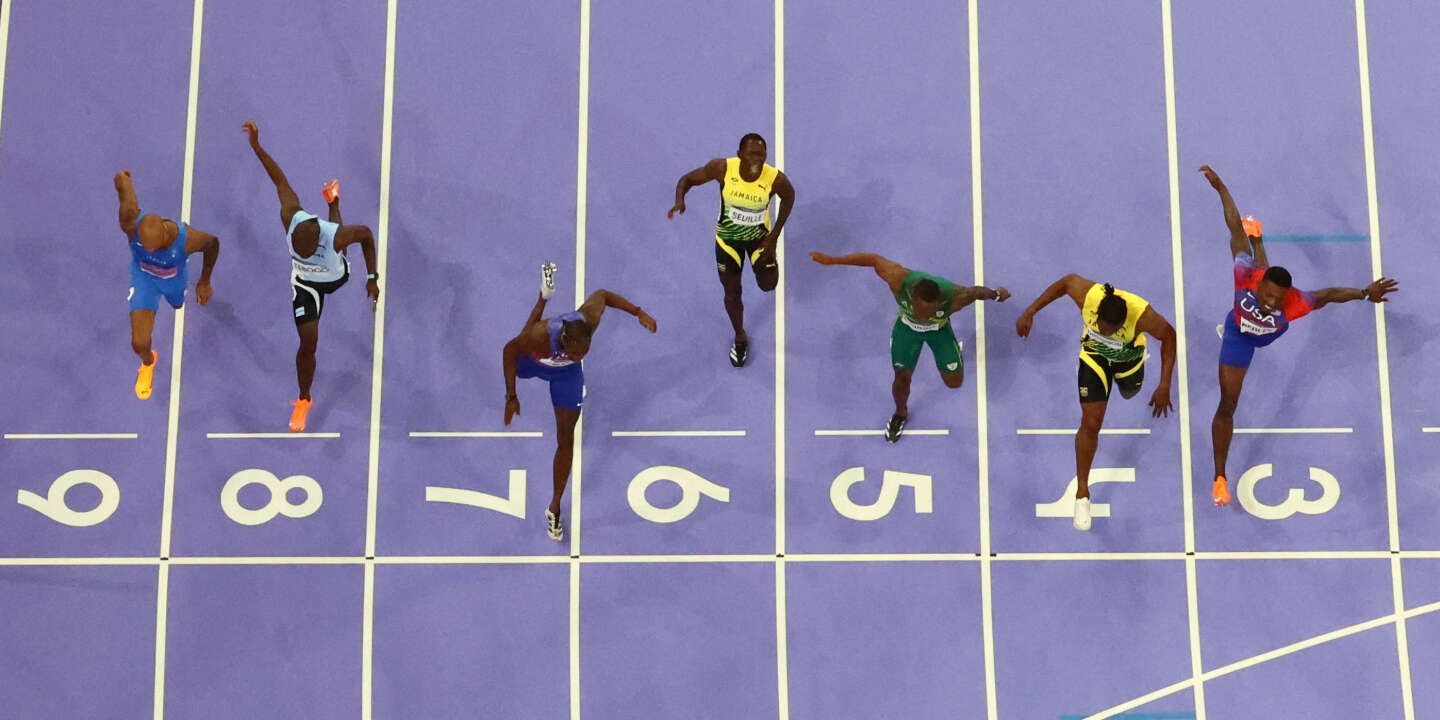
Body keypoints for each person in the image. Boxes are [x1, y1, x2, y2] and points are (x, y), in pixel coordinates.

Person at [1199, 165, 1398, 506]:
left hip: (1261, 331)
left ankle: (1258, 235)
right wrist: (1220, 187)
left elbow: (1331, 293)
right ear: (1258, 286)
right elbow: (1232, 226)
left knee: (1267, 266)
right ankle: (1220, 476)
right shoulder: (1246, 274)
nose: (1272, 303)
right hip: (1239, 338)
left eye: (1278, 298)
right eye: (1268, 295)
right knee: (1228, 404)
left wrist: (1365, 293)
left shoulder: (1296, 302)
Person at [503, 263, 657, 541]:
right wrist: (511, 396)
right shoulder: (541, 336)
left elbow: (603, 295)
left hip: (565, 377)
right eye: (576, 353)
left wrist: (638, 312)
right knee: (521, 339)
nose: (581, 356)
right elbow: (509, 350)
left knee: (566, 438)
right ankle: (543, 298)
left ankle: (554, 507)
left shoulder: (587, 321)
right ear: (564, 339)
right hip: (534, 363)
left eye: (585, 353)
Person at [243, 120, 379, 432]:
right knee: (308, 343)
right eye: (299, 251)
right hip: (306, 285)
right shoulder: (289, 216)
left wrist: (372, 276)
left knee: (339, 238)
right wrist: (257, 147)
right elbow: (279, 180)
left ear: (317, 236)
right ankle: (304, 399)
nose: (303, 252)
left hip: (336, 275)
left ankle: (333, 201)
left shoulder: (335, 237)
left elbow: (368, 236)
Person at [1015, 275, 1176, 530]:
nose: (1107, 332)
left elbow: (1170, 337)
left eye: (1112, 330)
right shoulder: (1089, 297)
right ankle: (1082, 495)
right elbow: (1065, 283)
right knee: (1091, 423)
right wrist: (1030, 311)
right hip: (1094, 358)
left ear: (1123, 321)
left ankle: (1133, 369)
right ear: (1097, 314)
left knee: (1128, 393)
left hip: (1129, 360)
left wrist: (1165, 383)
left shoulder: (1142, 315)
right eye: (1102, 326)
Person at [809, 250, 1009, 442]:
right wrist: (833, 260)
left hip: (938, 332)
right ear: (912, 297)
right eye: (922, 311)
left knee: (954, 383)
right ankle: (900, 413)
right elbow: (872, 259)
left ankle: (951, 350)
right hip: (907, 331)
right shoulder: (899, 280)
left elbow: (976, 292)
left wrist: (996, 294)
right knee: (902, 379)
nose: (924, 316)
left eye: (931, 311)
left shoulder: (955, 296)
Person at [668, 133, 795, 367]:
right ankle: (739, 337)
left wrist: (774, 237)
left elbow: (789, 198)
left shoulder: (775, 179)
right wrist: (680, 200)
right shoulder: (723, 169)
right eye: (751, 154)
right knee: (732, 293)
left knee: (768, 284)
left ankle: (765, 262)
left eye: (761, 154)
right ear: (740, 155)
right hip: (728, 242)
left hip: (759, 240)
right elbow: (687, 179)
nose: (757, 158)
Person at [114, 169, 220, 400]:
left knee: (178, 305)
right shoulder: (130, 222)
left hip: (174, 280)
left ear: (165, 232)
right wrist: (124, 177)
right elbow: (122, 184)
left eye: (156, 247)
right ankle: (148, 363)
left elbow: (213, 244)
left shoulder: (188, 239)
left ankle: (176, 298)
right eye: (146, 247)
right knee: (139, 342)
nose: (151, 251)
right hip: (144, 280)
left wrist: (204, 281)